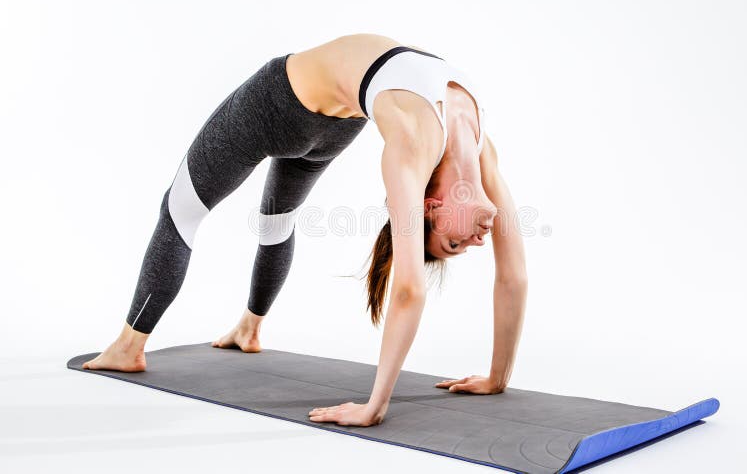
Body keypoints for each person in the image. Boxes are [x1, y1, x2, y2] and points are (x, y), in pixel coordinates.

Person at [82, 33, 528, 427]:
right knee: (212, 212)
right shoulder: (450, 145)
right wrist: (375, 406)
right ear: (430, 207)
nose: (476, 243)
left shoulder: (464, 148)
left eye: (457, 245)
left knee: (208, 215)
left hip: (322, 117)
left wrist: (496, 378)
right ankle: (187, 338)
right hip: (281, 107)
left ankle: (172, 341)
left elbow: (513, 277)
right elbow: (411, 289)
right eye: (456, 243)